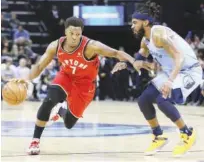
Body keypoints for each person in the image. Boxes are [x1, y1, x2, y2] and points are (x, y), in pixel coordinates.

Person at [11, 17, 153, 155]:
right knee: (50, 99)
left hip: (85, 85)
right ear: (65, 32)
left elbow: (116, 53)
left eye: (78, 34)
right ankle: (35, 141)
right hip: (66, 77)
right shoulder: (55, 45)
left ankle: (61, 110)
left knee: (69, 123)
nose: (74, 37)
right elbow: (40, 65)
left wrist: (133, 61)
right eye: (71, 33)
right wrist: (27, 79)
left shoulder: (91, 46)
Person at [112, 0, 203, 156]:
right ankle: (158, 135)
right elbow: (139, 61)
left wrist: (169, 81)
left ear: (146, 22)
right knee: (144, 100)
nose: (132, 26)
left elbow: (179, 57)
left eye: (135, 22)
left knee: (163, 100)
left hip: (188, 71)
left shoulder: (159, 33)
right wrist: (127, 65)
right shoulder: (145, 41)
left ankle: (187, 133)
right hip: (172, 72)